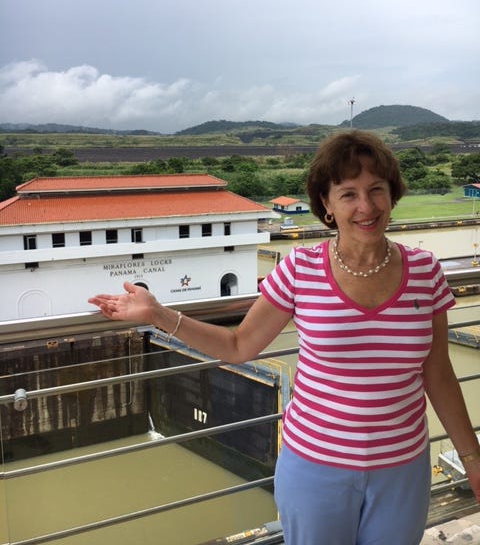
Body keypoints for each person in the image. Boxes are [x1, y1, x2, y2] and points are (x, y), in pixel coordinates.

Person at [89, 130, 480, 545]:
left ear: (392, 194)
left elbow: (437, 374)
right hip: (316, 469)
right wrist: (159, 314)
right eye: (348, 194)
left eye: (376, 190)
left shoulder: (425, 271)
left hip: (402, 469)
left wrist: (471, 457)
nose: (366, 207)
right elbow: (240, 345)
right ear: (326, 205)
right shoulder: (301, 268)